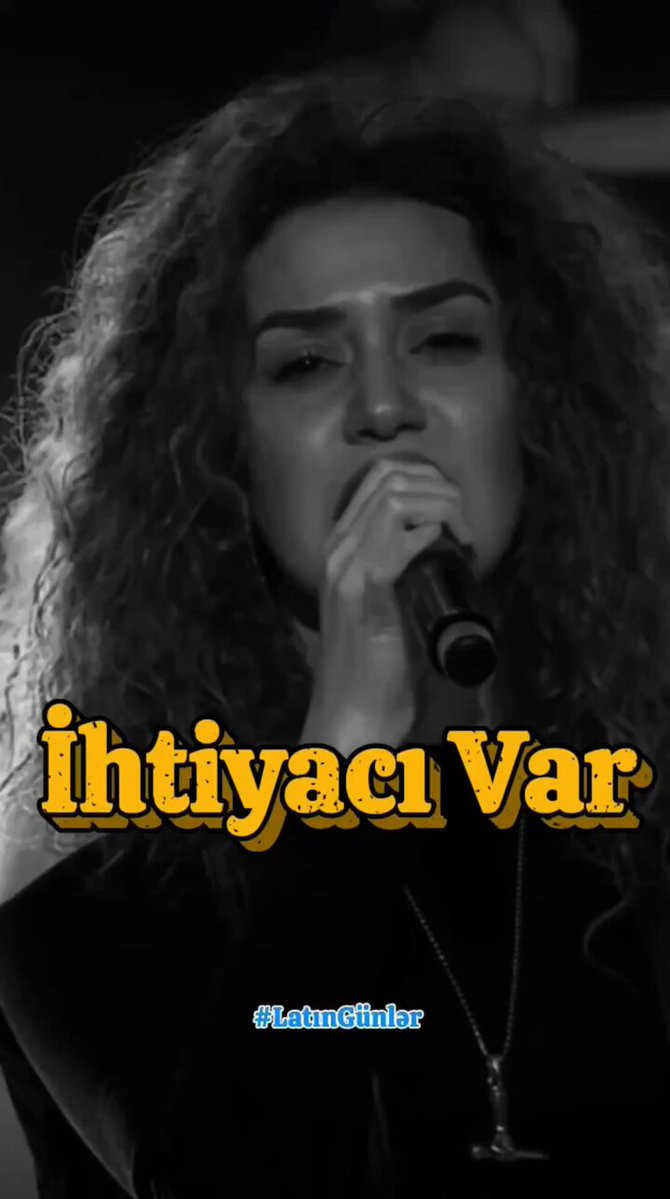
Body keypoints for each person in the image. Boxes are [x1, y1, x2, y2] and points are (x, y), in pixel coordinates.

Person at [1, 63, 670, 1197]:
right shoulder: (100, 876)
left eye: (443, 341)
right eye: (307, 362)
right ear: (223, 450)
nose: (385, 407)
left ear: (538, 401)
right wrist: (350, 753)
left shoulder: (625, 832)